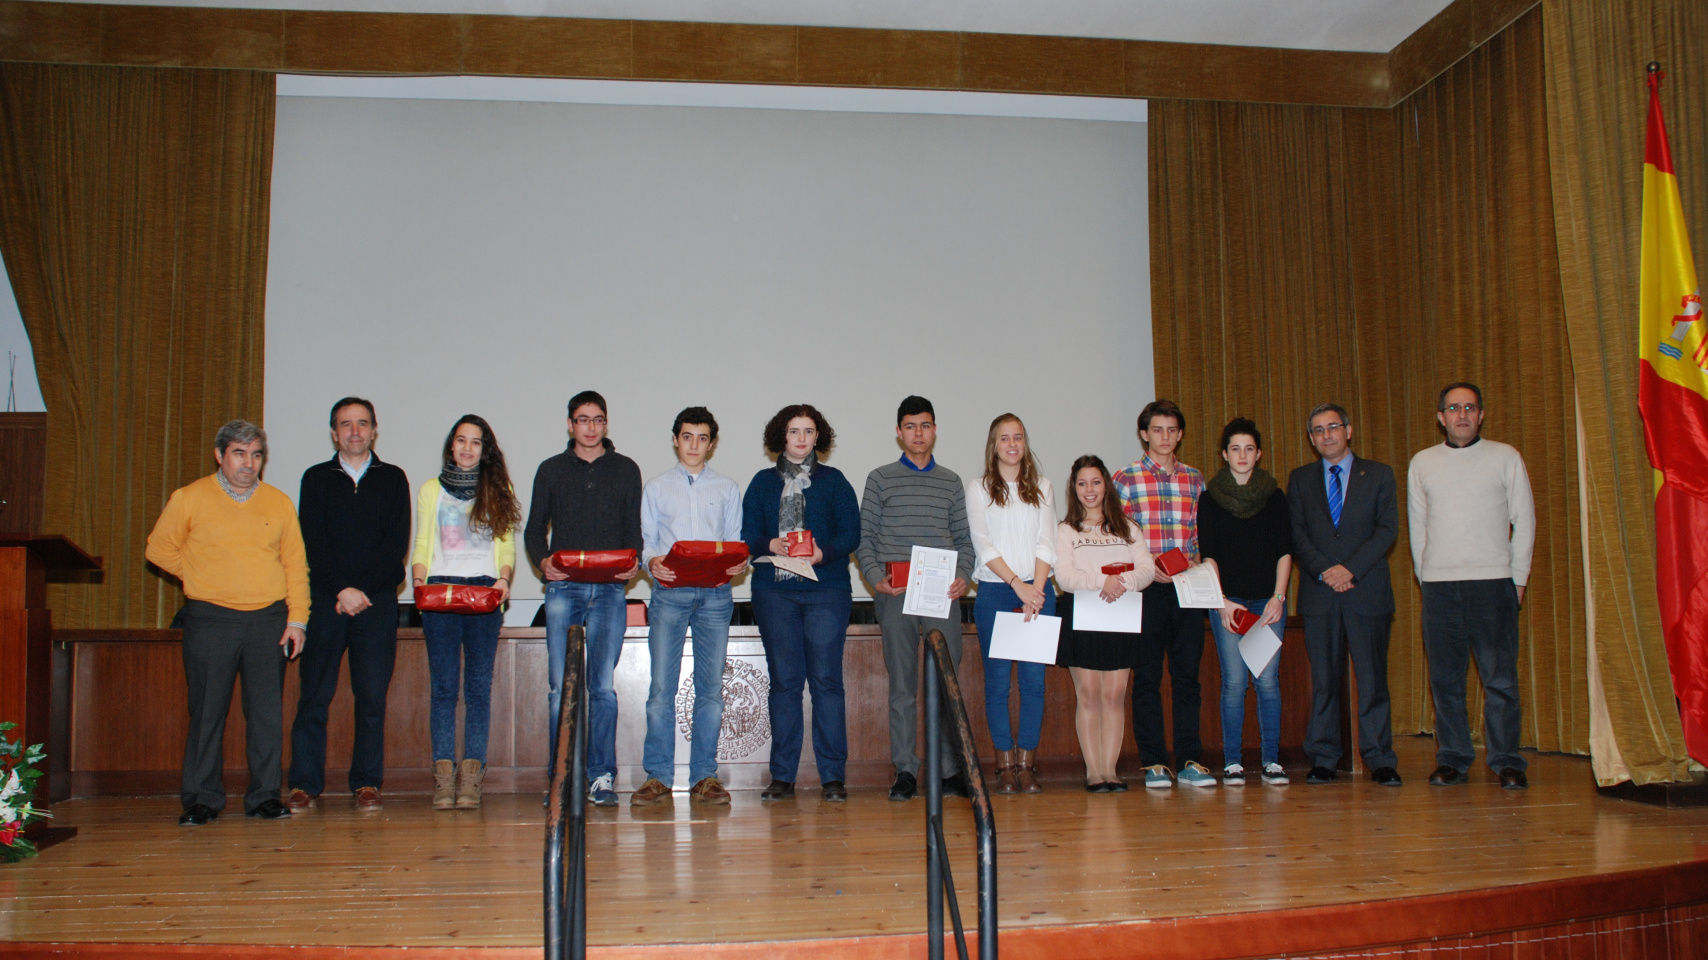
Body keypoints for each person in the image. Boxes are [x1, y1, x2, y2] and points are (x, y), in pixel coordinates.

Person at [145, 420, 308, 824]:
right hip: (210, 618)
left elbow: (295, 565)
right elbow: (157, 549)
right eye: (239, 453)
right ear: (220, 455)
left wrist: (298, 620)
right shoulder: (189, 498)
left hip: (268, 620)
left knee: (267, 715)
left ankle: (266, 796)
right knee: (206, 712)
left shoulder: (279, 502)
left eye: (256, 455)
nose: (248, 463)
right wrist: (197, 574)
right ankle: (201, 800)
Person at [1407, 383, 1536, 790]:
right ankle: (1453, 759)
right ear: (1440, 417)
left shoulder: (1505, 457)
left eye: (1469, 407)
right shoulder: (1423, 463)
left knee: (1499, 680)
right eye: (1453, 408)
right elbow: (1417, 529)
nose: (1461, 414)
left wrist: (1517, 578)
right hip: (1441, 587)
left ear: (1481, 415)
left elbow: (1525, 521)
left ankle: (1506, 761)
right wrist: (1426, 579)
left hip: (1494, 583)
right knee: (1445, 681)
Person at [288, 397, 411, 813]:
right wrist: (342, 590)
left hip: (376, 606)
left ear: (375, 430)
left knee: (371, 699)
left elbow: (395, 549)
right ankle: (304, 783)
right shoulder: (316, 478)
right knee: (314, 697)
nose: (354, 431)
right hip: (326, 604)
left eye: (362, 423)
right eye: (346, 424)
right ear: (334, 432)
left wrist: (363, 593)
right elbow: (313, 545)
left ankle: (366, 783)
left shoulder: (393, 479)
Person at [525, 391, 643, 807]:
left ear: (606, 424)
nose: (590, 427)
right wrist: (543, 562)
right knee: (560, 688)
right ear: (570, 425)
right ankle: (562, 777)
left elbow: (634, 531)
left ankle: (601, 777)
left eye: (597, 420)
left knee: (602, 689)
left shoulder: (626, 469)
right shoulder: (551, 470)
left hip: (611, 590)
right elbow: (533, 530)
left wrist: (636, 562)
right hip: (563, 590)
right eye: (582, 420)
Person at [858, 396, 976, 802]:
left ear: (935, 430)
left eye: (925, 425)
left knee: (948, 683)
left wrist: (963, 577)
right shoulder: (880, 478)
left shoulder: (951, 481)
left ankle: (947, 772)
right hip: (897, 595)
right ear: (898, 432)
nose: (918, 433)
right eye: (910, 426)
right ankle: (906, 770)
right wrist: (876, 580)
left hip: (942, 596)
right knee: (903, 687)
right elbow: (865, 540)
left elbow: (964, 541)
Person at [742, 404, 861, 802]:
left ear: (818, 437)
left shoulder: (834, 481)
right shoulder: (761, 483)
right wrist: (769, 544)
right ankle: (783, 777)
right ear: (782, 436)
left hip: (826, 591)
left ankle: (832, 778)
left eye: (809, 431)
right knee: (785, 683)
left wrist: (823, 553)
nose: (802, 438)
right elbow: (746, 536)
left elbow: (851, 534)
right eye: (794, 431)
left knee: (827, 682)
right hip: (775, 592)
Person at [633, 407, 746, 807]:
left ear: (711, 443)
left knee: (711, 691)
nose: (694, 444)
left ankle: (705, 776)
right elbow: (646, 543)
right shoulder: (657, 487)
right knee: (661, 689)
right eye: (686, 436)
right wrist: (651, 562)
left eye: (702, 438)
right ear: (676, 439)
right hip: (670, 593)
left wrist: (739, 563)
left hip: (716, 595)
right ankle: (657, 777)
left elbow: (734, 543)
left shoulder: (728, 488)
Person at [1287, 402, 1402, 787]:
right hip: (1320, 594)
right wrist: (1325, 570)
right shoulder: (1300, 479)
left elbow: (1387, 530)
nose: (1326, 436)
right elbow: (1297, 533)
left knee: (1372, 680)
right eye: (1318, 430)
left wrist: (1348, 569)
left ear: (1348, 430)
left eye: (1333, 427)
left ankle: (1380, 759)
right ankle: (1323, 757)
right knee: (1324, 680)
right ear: (1311, 438)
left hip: (1365, 589)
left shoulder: (1379, 475)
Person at [412, 415, 519, 810]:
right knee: (443, 689)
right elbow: (423, 542)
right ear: (451, 446)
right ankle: (443, 779)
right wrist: (419, 581)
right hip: (440, 590)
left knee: (477, 689)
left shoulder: (499, 489)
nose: (467, 448)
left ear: (485, 449)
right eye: (461, 441)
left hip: (484, 592)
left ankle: (471, 780)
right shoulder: (430, 490)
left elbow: (505, 546)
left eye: (476, 442)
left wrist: (504, 580)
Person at [1112, 399, 1215, 788]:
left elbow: (1199, 536)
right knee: (1148, 678)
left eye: (1172, 430)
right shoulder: (1124, 479)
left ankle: (1190, 759)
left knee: (1188, 677)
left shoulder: (1194, 478)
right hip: (1146, 590)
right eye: (1158, 430)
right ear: (1144, 433)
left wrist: (1196, 569)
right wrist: (1145, 566)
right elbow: (1117, 539)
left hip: (1187, 588)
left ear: (1181, 434)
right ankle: (1154, 761)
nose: (1165, 437)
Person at [1198, 418, 1293, 787]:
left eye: (1249, 448)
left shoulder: (1275, 497)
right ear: (1224, 454)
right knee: (1234, 682)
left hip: (1267, 602)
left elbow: (1285, 551)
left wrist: (1278, 598)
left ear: (1259, 454)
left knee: (1268, 681)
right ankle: (1233, 761)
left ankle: (1271, 760)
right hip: (1230, 601)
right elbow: (1210, 556)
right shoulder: (1210, 497)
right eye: (1235, 448)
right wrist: (1220, 601)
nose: (1242, 455)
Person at [965, 414, 1057, 794]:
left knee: (1034, 684)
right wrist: (1018, 586)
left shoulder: (1044, 486)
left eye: (1018, 437)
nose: (1012, 444)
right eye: (1004, 438)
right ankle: (1004, 765)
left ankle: (1026, 764)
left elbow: (1046, 541)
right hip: (997, 592)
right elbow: (983, 545)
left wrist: (1035, 589)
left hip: (1038, 590)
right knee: (998, 684)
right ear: (994, 445)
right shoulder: (979, 487)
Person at [1053, 455, 1155, 792]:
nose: (1089, 490)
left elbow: (1147, 570)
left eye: (1095, 482)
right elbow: (1065, 577)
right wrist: (1101, 581)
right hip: (1082, 618)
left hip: (1120, 618)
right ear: (1074, 489)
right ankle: (1094, 772)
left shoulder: (1128, 528)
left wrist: (1121, 582)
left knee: (1113, 696)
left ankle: (1111, 771)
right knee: (1089, 694)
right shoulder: (1066, 530)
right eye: (1082, 484)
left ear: (1106, 485)